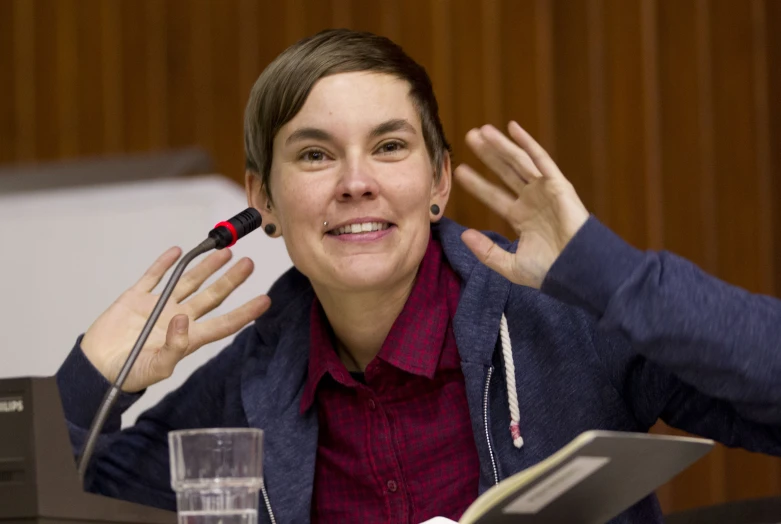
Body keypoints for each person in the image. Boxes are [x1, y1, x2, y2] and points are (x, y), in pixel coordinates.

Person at [56, 28, 781, 524]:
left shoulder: (561, 324)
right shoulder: (253, 379)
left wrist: (609, 277)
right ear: (263, 202)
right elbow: (73, 505)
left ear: (437, 182)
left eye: (389, 146)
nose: (355, 182)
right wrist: (92, 379)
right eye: (314, 155)